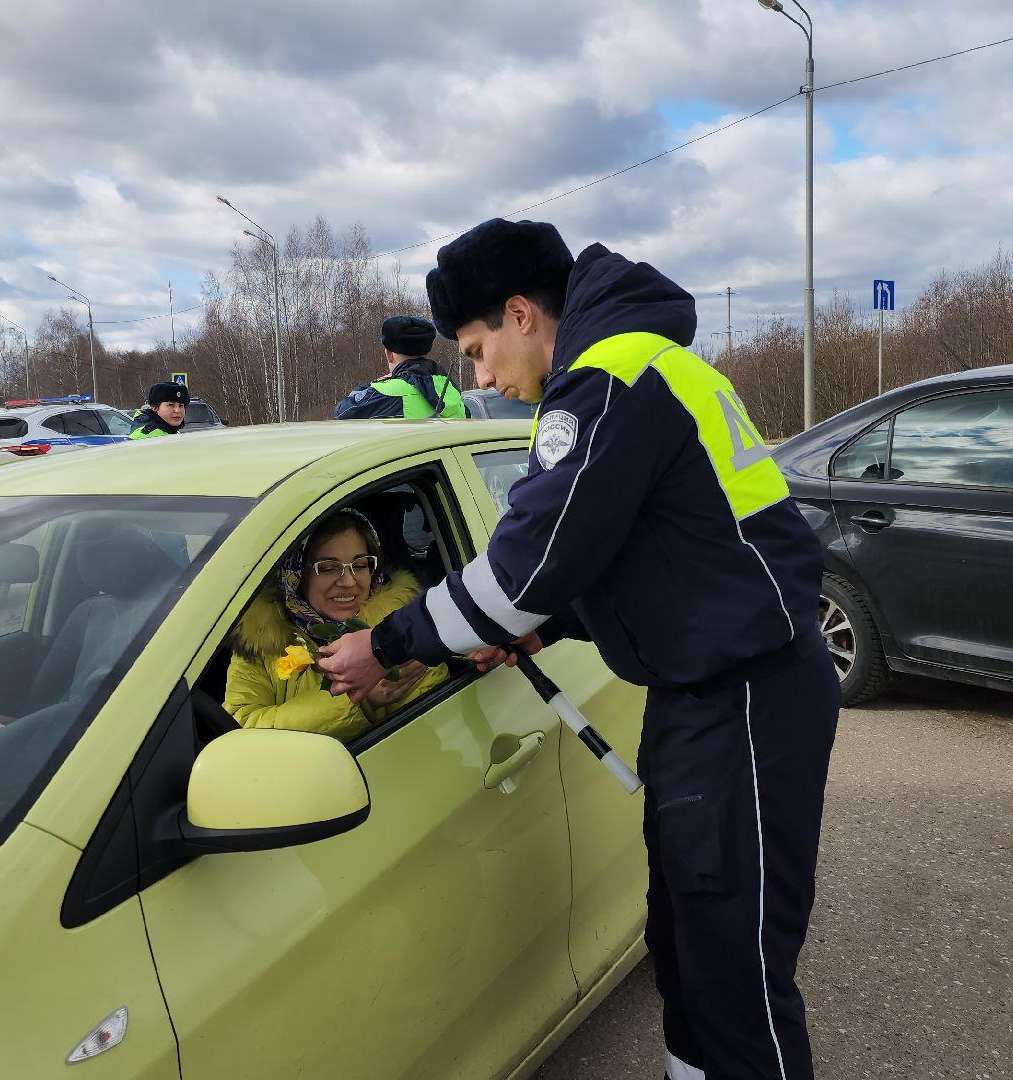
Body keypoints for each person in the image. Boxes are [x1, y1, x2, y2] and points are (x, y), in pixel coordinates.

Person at [317, 219, 838, 1080]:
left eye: (477, 351)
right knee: (686, 951)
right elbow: (658, 555)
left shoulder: (607, 379)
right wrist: (546, 623)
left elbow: (521, 571)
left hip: (743, 701)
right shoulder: (639, 366)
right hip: (717, 691)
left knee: (734, 977)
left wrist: (389, 641)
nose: (480, 378)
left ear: (522, 315)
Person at [224, 509, 446, 740]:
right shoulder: (261, 639)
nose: (348, 582)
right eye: (328, 567)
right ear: (296, 574)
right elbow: (239, 733)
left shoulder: (402, 631)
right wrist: (360, 699)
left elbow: (433, 730)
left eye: (360, 565)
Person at [333, 315, 468, 419]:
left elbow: (342, 412)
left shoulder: (387, 392)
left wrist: (372, 384)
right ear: (426, 352)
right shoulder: (450, 389)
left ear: (388, 355)